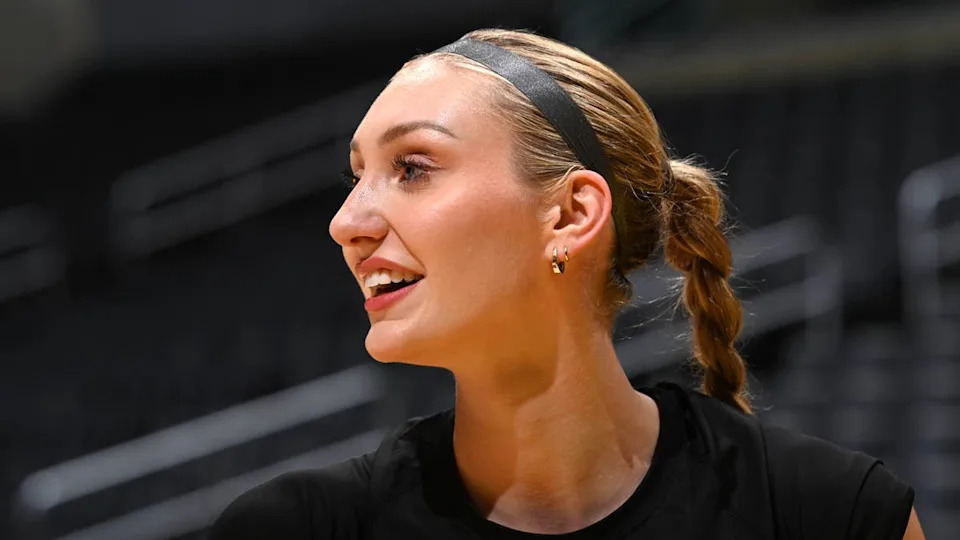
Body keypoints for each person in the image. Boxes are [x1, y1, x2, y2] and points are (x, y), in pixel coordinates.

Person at [208, 29, 924, 539]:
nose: (345, 222)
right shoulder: (294, 526)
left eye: (413, 168)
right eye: (355, 174)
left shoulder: (834, 513)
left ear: (571, 214)